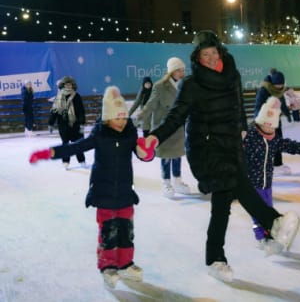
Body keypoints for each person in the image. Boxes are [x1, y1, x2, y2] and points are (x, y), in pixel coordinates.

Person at [138, 30, 300, 282]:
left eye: (214, 52)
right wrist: (154, 136)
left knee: (222, 204)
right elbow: (176, 116)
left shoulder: (232, 76)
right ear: (197, 57)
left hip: (231, 146)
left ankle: (215, 258)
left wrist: (244, 131)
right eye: (205, 54)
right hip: (206, 149)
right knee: (238, 183)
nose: (211, 58)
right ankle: (273, 222)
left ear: (220, 51)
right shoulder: (191, 85)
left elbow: (238, 107)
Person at [29, 86, 156, 289]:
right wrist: (50, 153)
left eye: (124, 118)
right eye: (117, 118)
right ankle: (107, 266)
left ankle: (125, 263)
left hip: (124, 193)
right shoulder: (99, 136)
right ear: (107, 118)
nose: (122, 122)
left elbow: (144, 154)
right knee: (108, 232)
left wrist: (148, 152)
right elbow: (74, 147)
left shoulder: (129, 136)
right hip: (103, 193)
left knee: (126, 231)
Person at [243, 96, 300, 253]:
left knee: (268, 210)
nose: (270, 131)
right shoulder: (250, 137)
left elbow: (287, 144)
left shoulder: (272, 139)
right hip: (251, 184)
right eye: (267, 127)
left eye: (273, 128)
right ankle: (261, 238)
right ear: (260, 123)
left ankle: (271, 234)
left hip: (267, 183)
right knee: (257, 214)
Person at [137, 57, 191, 198]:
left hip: (178, 127)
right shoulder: (160, 86)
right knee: (166, 156)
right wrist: (141, 115)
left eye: (183, 70)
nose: (182, 73)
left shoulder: (183, 85)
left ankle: (178, 181)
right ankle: (166, 183)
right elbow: (151, 104)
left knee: (177, 155)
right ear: (172, 70)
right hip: (163, 127)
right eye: (180, 70)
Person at [254, 69, 292, 175]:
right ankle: (264, 166)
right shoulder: (264, 90)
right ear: (273, 83)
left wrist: (288, 114)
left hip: (275, 121)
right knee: (266, 144)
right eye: (278, 84)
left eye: (281, 84)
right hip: (265, 122)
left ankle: (278, 164)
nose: (280, 87)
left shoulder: (279, 91)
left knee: (278, 141)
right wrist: (258, 119)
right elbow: (257, 105)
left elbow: (283, 103)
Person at [48, 76, 87, 169]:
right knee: (65, 144)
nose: (68, 86)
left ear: (73, 85)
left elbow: (81, 111)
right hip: (63, 125)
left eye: (70, 85)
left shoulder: (76, 96)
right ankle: (65, 161)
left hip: (75, 125)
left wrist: (82, 123)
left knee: (78, 143)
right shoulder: (58, 97)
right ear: (63, 85)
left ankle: (81, 160)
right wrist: (51, 123)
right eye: (66, 85)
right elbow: (54, 111)